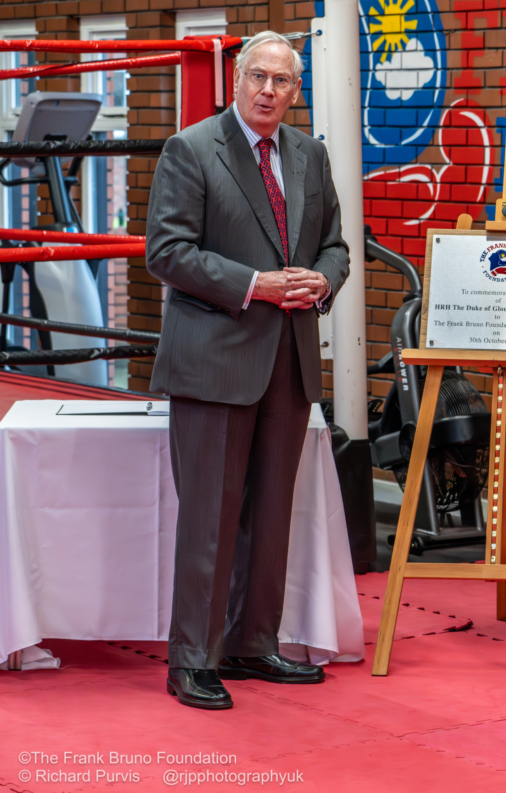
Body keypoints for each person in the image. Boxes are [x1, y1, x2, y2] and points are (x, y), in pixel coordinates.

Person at [145, 30, 350, 710]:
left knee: (270, 517)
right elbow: (167, 252)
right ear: (237, 79)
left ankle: (251, 643)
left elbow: (336, 247)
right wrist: (255, 283)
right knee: (209, 517)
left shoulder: (310, 155)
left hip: (289, 362)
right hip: (214, 361)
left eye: (282, 81)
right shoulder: (191, 148)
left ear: (297, 90)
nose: (269, 90)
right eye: (258, 77)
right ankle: (192, 660)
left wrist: (319, 283)